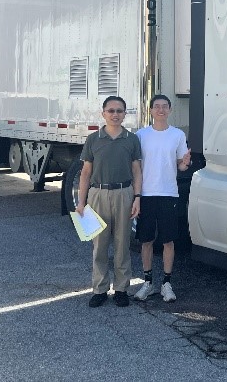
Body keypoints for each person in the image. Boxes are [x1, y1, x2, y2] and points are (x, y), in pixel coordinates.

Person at [76, 96, 142, 308]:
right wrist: (81, 201)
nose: (115, 114)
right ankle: (100, 289)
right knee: (100, 245)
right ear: (103, 113)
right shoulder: (93, 139)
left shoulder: (131, 139)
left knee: (123, 244)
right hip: (98, 195)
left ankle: (122, 289)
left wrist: (137, 198)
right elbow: (86, 172)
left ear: (124, 114)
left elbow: (136, 171)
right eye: (111, 110)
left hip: (124, 193)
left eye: (120, 111)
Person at [133, 94, 191, 303]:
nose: (160, 110)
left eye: (164, 107)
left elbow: (181, 165)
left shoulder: (177, 135)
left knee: (168, 240)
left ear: (170, 110)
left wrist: (185, 162)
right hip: (147, 194)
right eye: (156, 106)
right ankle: (147, 282)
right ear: (150, 110)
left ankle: (167, 283)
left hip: (169, 193)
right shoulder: (141, 135)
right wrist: (136, 196)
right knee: (146, 240)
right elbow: (136, 167)